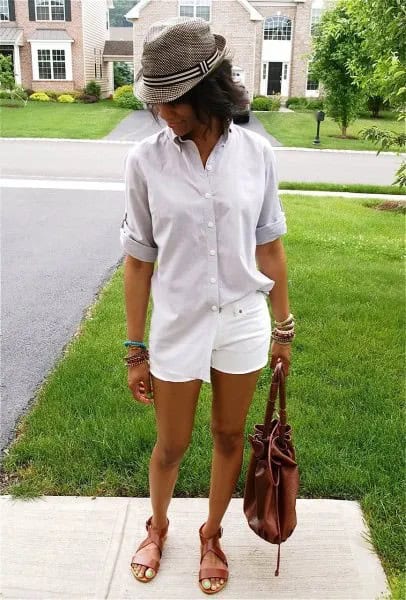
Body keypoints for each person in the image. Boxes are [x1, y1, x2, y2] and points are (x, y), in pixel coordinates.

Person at [120, 16, 295, 595]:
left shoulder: (257, 155)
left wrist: (283, 329)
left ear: (208, 93)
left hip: (243, 320)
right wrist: (134, 347)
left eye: (174, 101)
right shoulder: (146, 160)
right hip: (177, 321)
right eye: (157, 101)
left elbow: (269, 245)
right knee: (170, 444)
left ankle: (212, 533)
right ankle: (158, 525)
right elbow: (139, 260)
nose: (163, 112)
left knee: (227, 437)